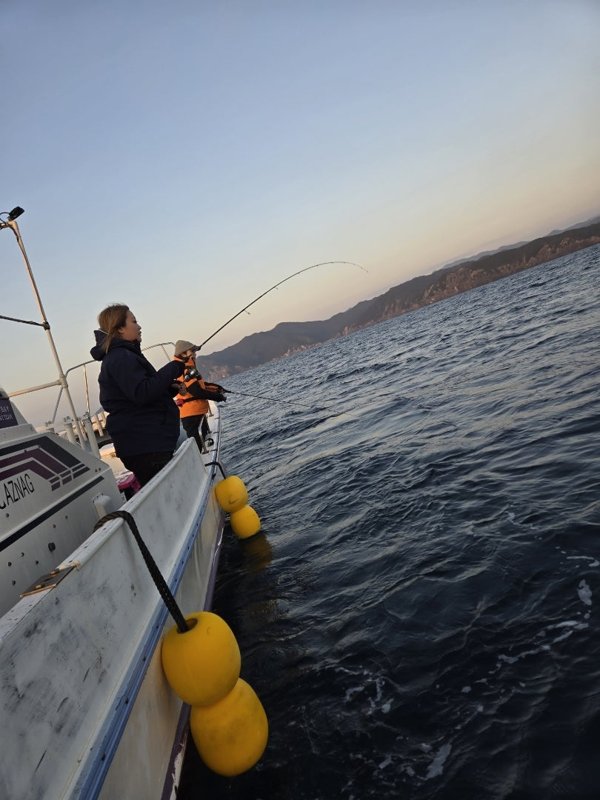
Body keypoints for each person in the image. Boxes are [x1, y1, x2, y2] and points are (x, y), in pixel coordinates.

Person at [91, 304, 185, 486]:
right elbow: (142, 393)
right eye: (133, 321)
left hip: (148, 443)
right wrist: (175, 366)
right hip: (147, 446)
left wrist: (169, 388)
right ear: (119, 328)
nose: (139, 326)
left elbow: (136, 395)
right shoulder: (120, 357)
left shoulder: (123, 355)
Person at [173, 340, 227, 452]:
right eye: (191, 351)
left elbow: (202, 386)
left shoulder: (187, 368)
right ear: (183, 354)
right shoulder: (185, 370)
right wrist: (218, 397)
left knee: (202, 442)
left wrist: (218, 388)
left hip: (196, 413)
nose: (194, 353)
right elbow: (197, 392)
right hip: (191, 415)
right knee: (198, 448)